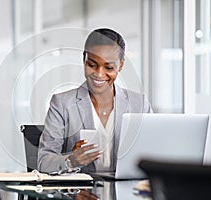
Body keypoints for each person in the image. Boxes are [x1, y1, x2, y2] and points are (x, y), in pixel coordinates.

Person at [37, 28, 153, 173]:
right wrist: (71, 160)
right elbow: (44, 162)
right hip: (81, 192)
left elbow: (154, 152)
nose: (99, 74)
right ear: (84, 59)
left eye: (109, 67)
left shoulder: (139, 104)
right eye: (92, 65)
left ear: (121, 65)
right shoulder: (62, 103)